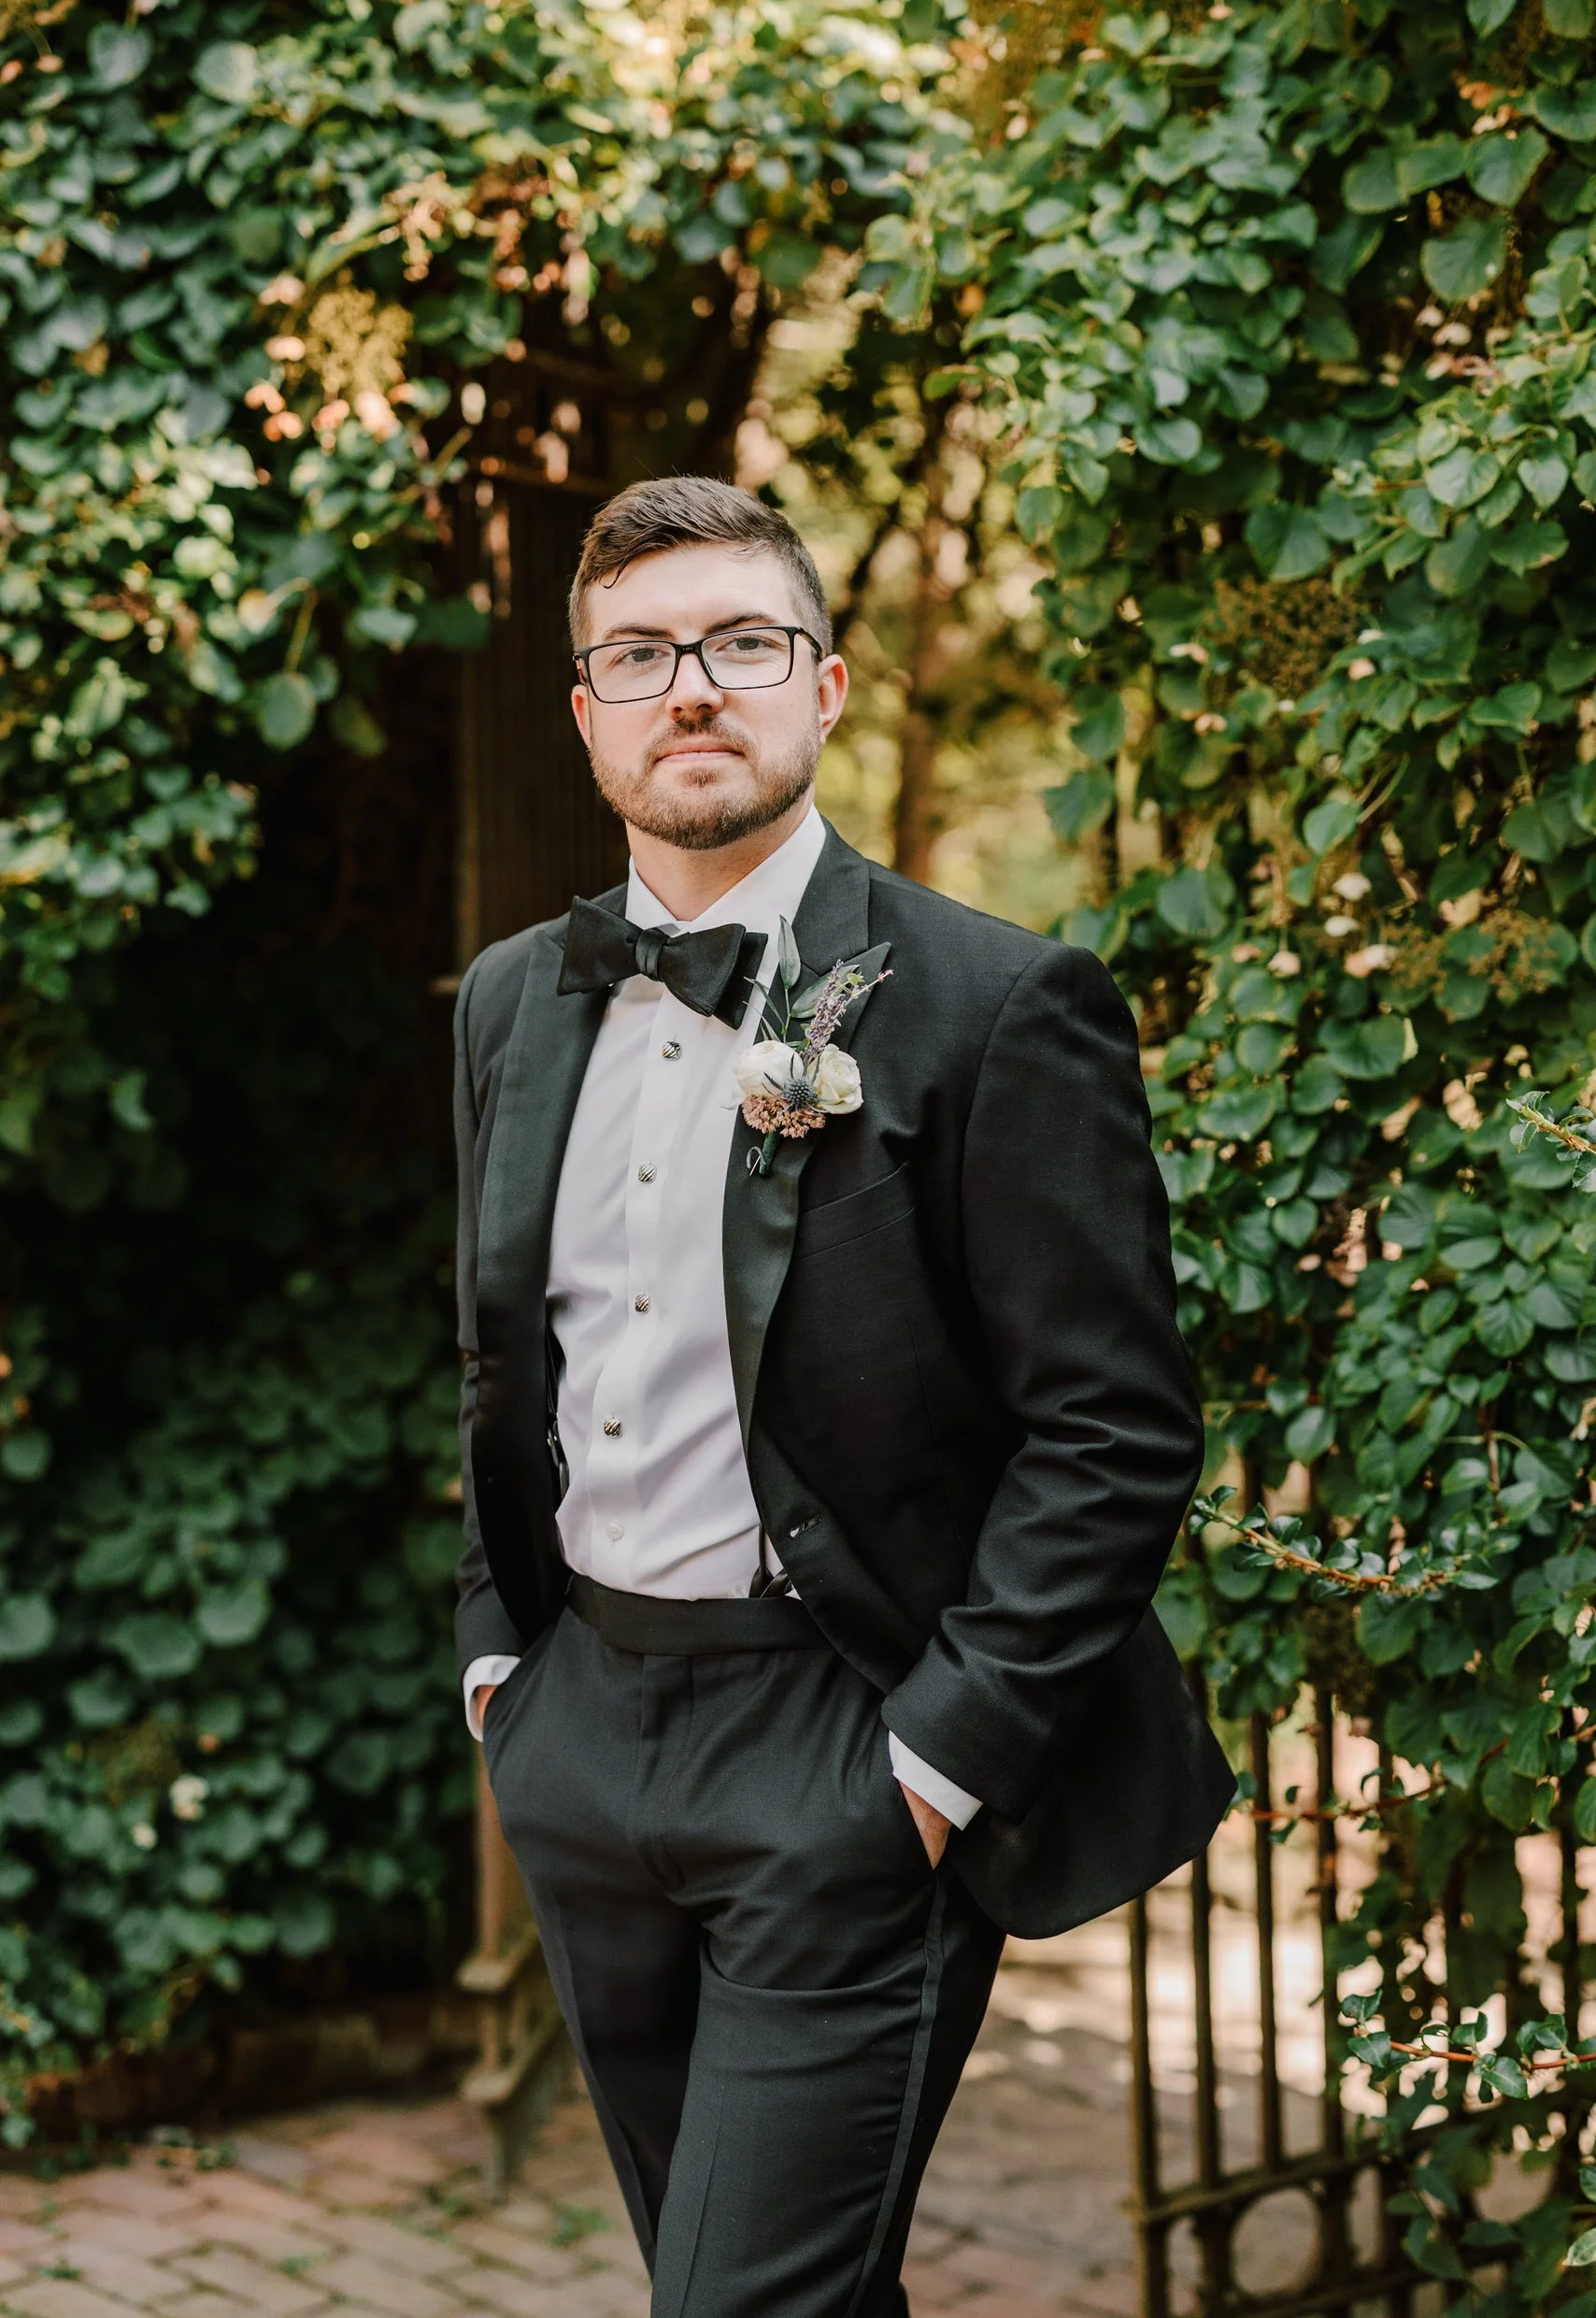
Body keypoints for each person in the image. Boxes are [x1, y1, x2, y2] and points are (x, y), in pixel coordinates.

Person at [453, 475, 1232, 2317]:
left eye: (743, 642)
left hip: (847, 1746)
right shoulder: (505, 1002)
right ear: (586, 713)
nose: (692, 688)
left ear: (825, 687)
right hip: (583, 1733)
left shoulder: (995, 1003)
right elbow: (499, 1350)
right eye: (640, 654)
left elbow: (1113, 1431)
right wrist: (502, 1657)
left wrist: (935, 1766)